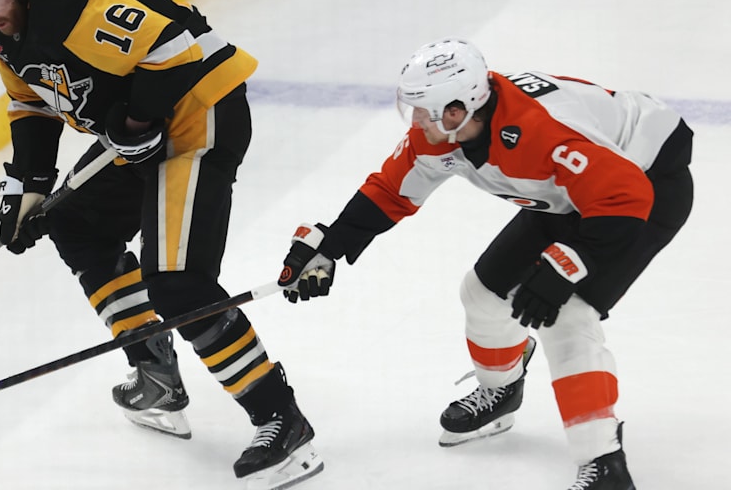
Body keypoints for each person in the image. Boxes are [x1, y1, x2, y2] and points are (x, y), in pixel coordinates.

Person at [0, 0, 324, 489]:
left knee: (177, 281)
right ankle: (157, 374)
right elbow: (33, 104)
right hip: (139, 130)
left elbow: (176, 48)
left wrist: (136, 121)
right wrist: (27, 186)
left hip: (199, 111)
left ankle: (280, 418)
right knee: (72, 226)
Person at [278, 37, 692, 489]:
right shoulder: (443, 132)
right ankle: (502, 390)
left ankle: (604, 464)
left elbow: (625, 195)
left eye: (423, 110)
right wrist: (329, 244)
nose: (415, 122)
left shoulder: (540, 133)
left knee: (568, 315)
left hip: (644, 186)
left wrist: (574, 261)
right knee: (482, 294)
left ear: (457, 111)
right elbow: (391, 191)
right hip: (573, 195)